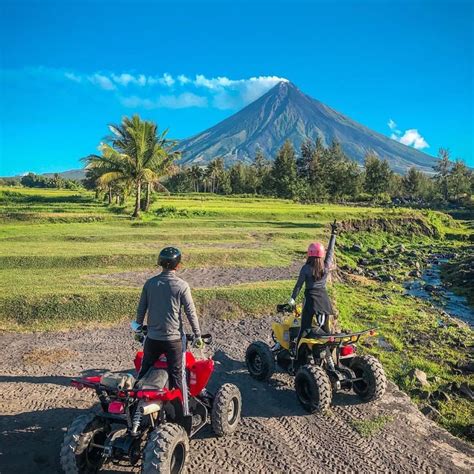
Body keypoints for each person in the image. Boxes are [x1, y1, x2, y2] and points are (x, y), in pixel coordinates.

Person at [133, 246, 203, 393]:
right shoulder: (182, 286)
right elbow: (190, 312)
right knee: (178, 376)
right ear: (178, 265)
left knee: (143, 372)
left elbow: (141, 310)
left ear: (160, 263)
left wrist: (138, 329)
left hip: (152, 339)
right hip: (174, 341)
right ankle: (182, 412)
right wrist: (197, 335)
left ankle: (133, 404)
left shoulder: (150, 284)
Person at [289, 220, 338, 352]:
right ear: (321, 255)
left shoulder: (306, 268)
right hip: (324, 300)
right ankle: (330, 352)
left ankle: (296, 353)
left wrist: (292, 299)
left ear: (309, 254)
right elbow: (331, 252)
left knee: (304, 328)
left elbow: (298, 286)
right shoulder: (326, 266)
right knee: (326, 330)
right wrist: (333, 234)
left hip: (311, 301)